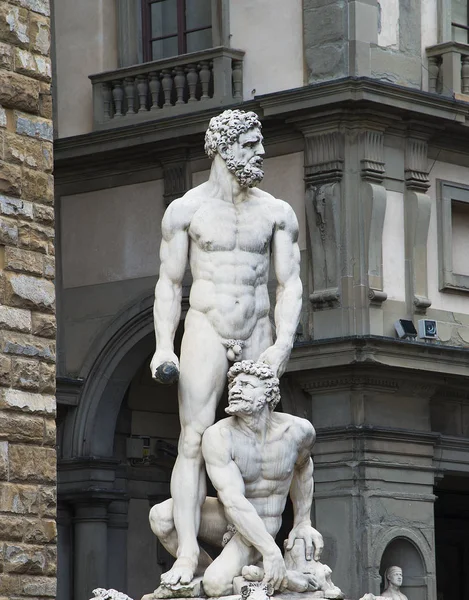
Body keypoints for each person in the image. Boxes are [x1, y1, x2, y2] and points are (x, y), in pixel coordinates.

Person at [150, 109, 303, 586]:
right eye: (250, 143)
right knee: (193, 439)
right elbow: (169, 285)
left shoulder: (277, 211)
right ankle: (188, 553)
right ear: (222, 146)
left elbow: (290, 285)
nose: (260, 152)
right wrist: (162, 347)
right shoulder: (186, 210)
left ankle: (271, 542)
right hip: (206, 325)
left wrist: (281, 346)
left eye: (260, 143)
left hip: (257, 325)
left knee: (262, 436)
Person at [150, 361, 324, 597]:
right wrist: (271, 552)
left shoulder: (298, 431)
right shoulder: (219, 435)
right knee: (161, 516)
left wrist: (302, 521)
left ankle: (263, 577)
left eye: (246, 384)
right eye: (233, 385)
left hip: (264, 521)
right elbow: (232, 500)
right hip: (229, 514)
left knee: (216, 585)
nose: (235, 389)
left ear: (268, 393)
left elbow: (303, 468)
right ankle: (208, 572)